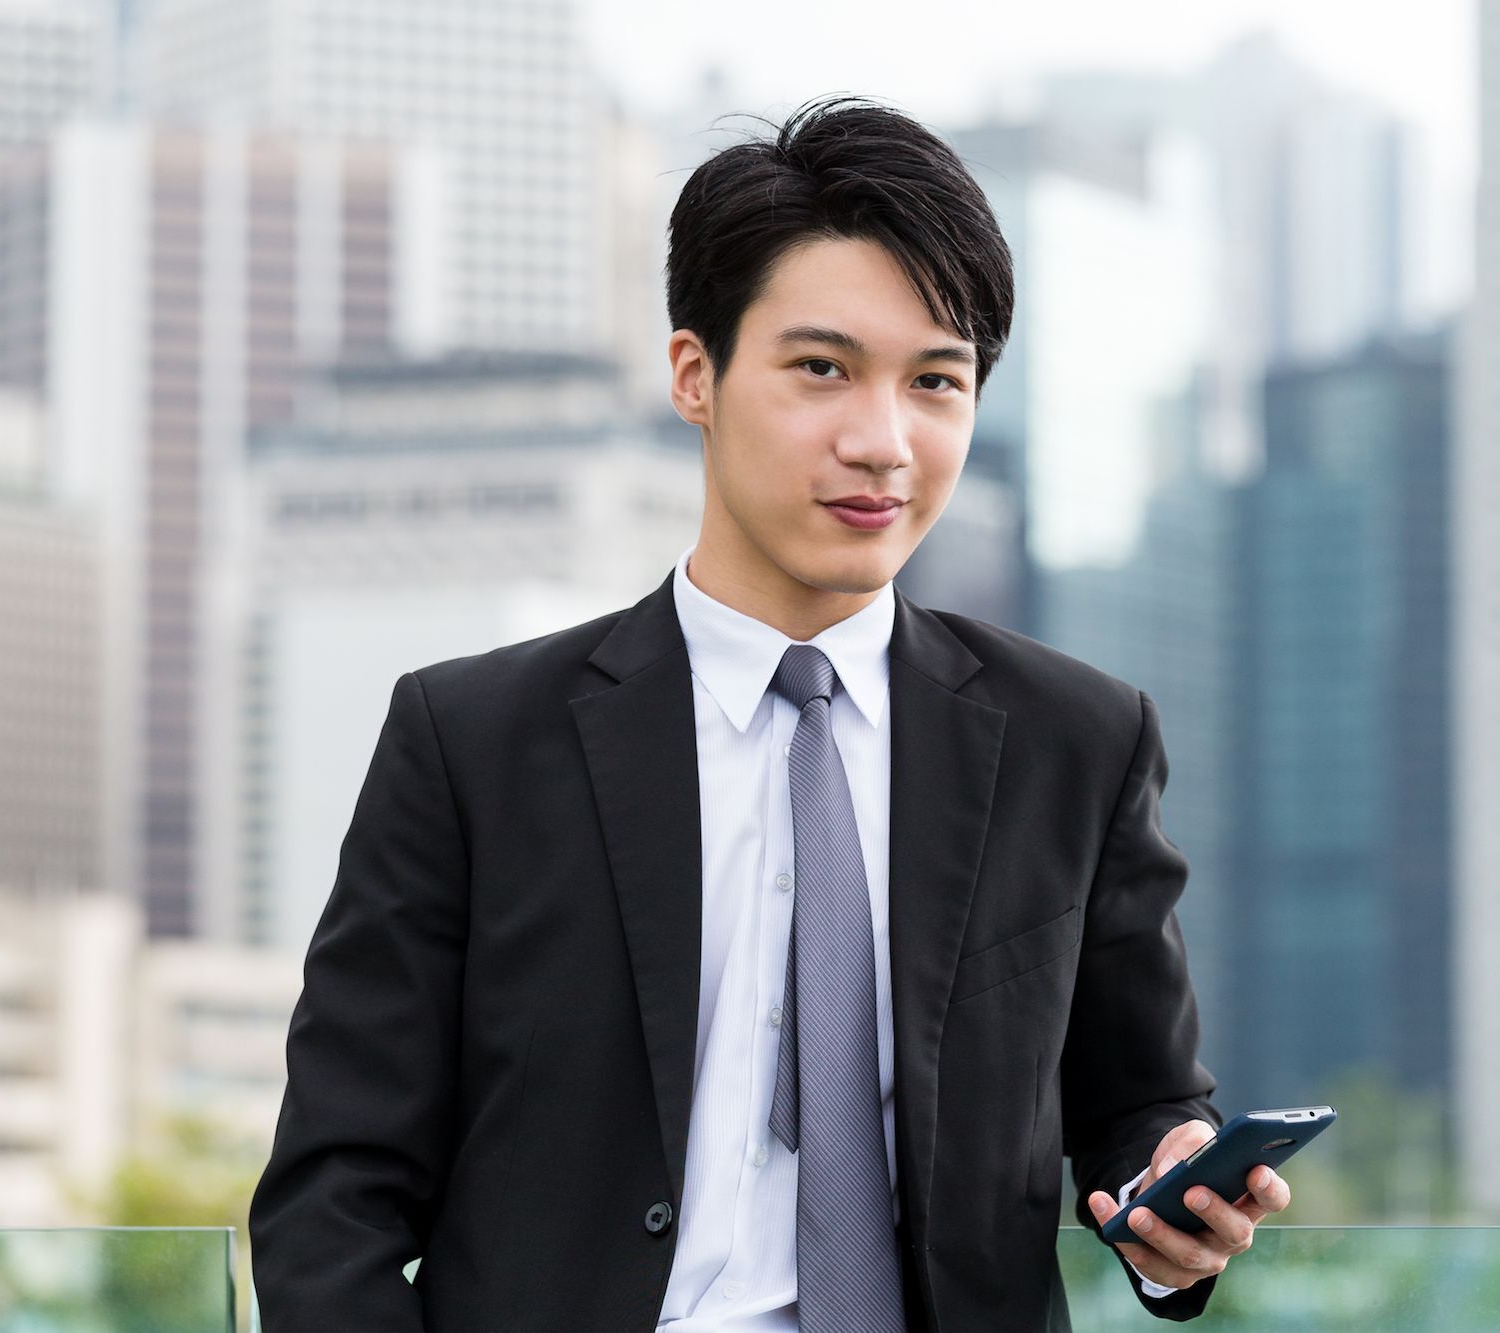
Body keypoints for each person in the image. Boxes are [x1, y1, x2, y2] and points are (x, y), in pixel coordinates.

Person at [248, 94, 1291, 1332]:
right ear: (694, 374)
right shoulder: (471, 743)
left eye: (935, 382)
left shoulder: (1078, 740)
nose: (882, 441)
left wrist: (1174, 1203)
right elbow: (333, 1198)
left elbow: (1138, 1106)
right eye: (820, 369)